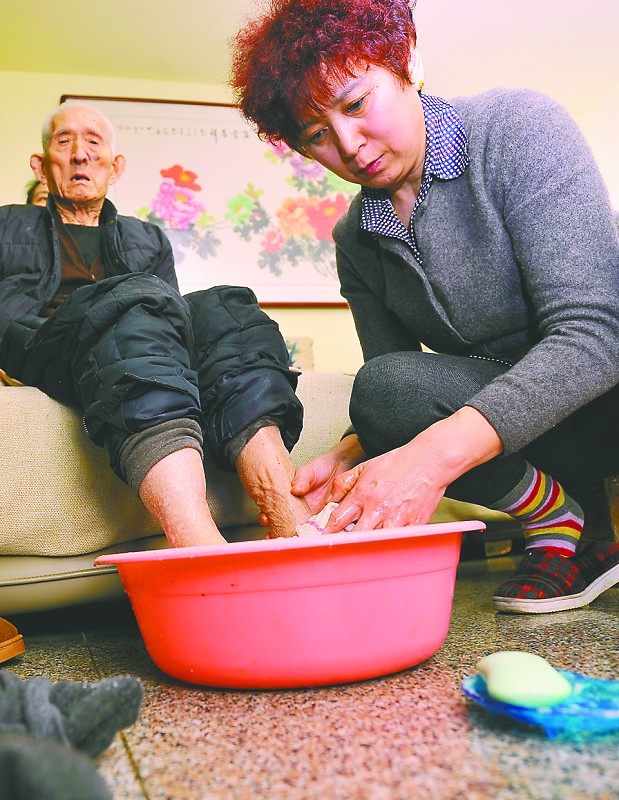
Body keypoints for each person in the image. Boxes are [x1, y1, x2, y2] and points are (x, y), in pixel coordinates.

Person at [230, 0, 619, 613]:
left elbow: (597, 337)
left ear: (405, 64)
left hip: (603, 406)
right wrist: (352, 455)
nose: (349, 145)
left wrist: (429, 461)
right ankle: (559, 521)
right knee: (381, 391)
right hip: (523, 421)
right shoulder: (355, 240)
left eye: (356, 104)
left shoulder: (519, 128)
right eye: (317, 135)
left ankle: (589, 532)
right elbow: (395, 382)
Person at [0, 102, 313, 547]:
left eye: (93, 142)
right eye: (64, 141)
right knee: (135, 300)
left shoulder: (146, 237)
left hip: (129, 342)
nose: (80, 154)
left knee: (227, 308)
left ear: (115, 166)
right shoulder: (6, 225)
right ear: (41, 165)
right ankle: (198, 544)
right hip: (44, 345)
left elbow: (177, 324)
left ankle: (291, 519)